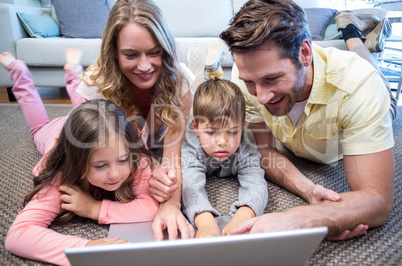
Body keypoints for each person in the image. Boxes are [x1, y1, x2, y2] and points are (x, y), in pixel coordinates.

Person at [217, 0, 395, 241]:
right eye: (251, 82)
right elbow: (264, 151)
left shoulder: (360, 87)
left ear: (304, 54)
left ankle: (351, 33)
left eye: (272, 78)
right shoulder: (246, 81)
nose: (260, 97)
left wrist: (304, 218)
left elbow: (377, 200)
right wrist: (308, 189)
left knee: (379, 81)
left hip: (376, 95)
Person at [1, 52, 159, 266]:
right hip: (55, 134)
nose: (115, 174)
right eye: (101, 165)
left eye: (122, 161)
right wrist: (85, 248)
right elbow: (18, 235)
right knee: (38, 126)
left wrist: (94, 208)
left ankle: (73, 72)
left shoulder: (133, 156)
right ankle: (19, 72)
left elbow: (151, 206)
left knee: (85, 108)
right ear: (76, 164)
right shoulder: (61, 173)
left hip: (92, 127)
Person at [73, 0, 195, 240]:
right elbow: (86, 158)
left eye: (154, 52)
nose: (145, 66)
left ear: (166, 49)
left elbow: (171, 155)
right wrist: (148, 169)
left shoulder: (180, 83)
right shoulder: (93, 87)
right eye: (131, 54)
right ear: (114, 54)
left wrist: (171, 204)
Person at [181, 78, 268, 237]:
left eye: (232, 132)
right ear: (196, 127)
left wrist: (244, 215)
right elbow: (189, 184)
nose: (222, 142)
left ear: (242, 127)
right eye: (212, 132)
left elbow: (256, 181)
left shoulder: (245, 143)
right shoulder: (190, 144)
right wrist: (205, 222)